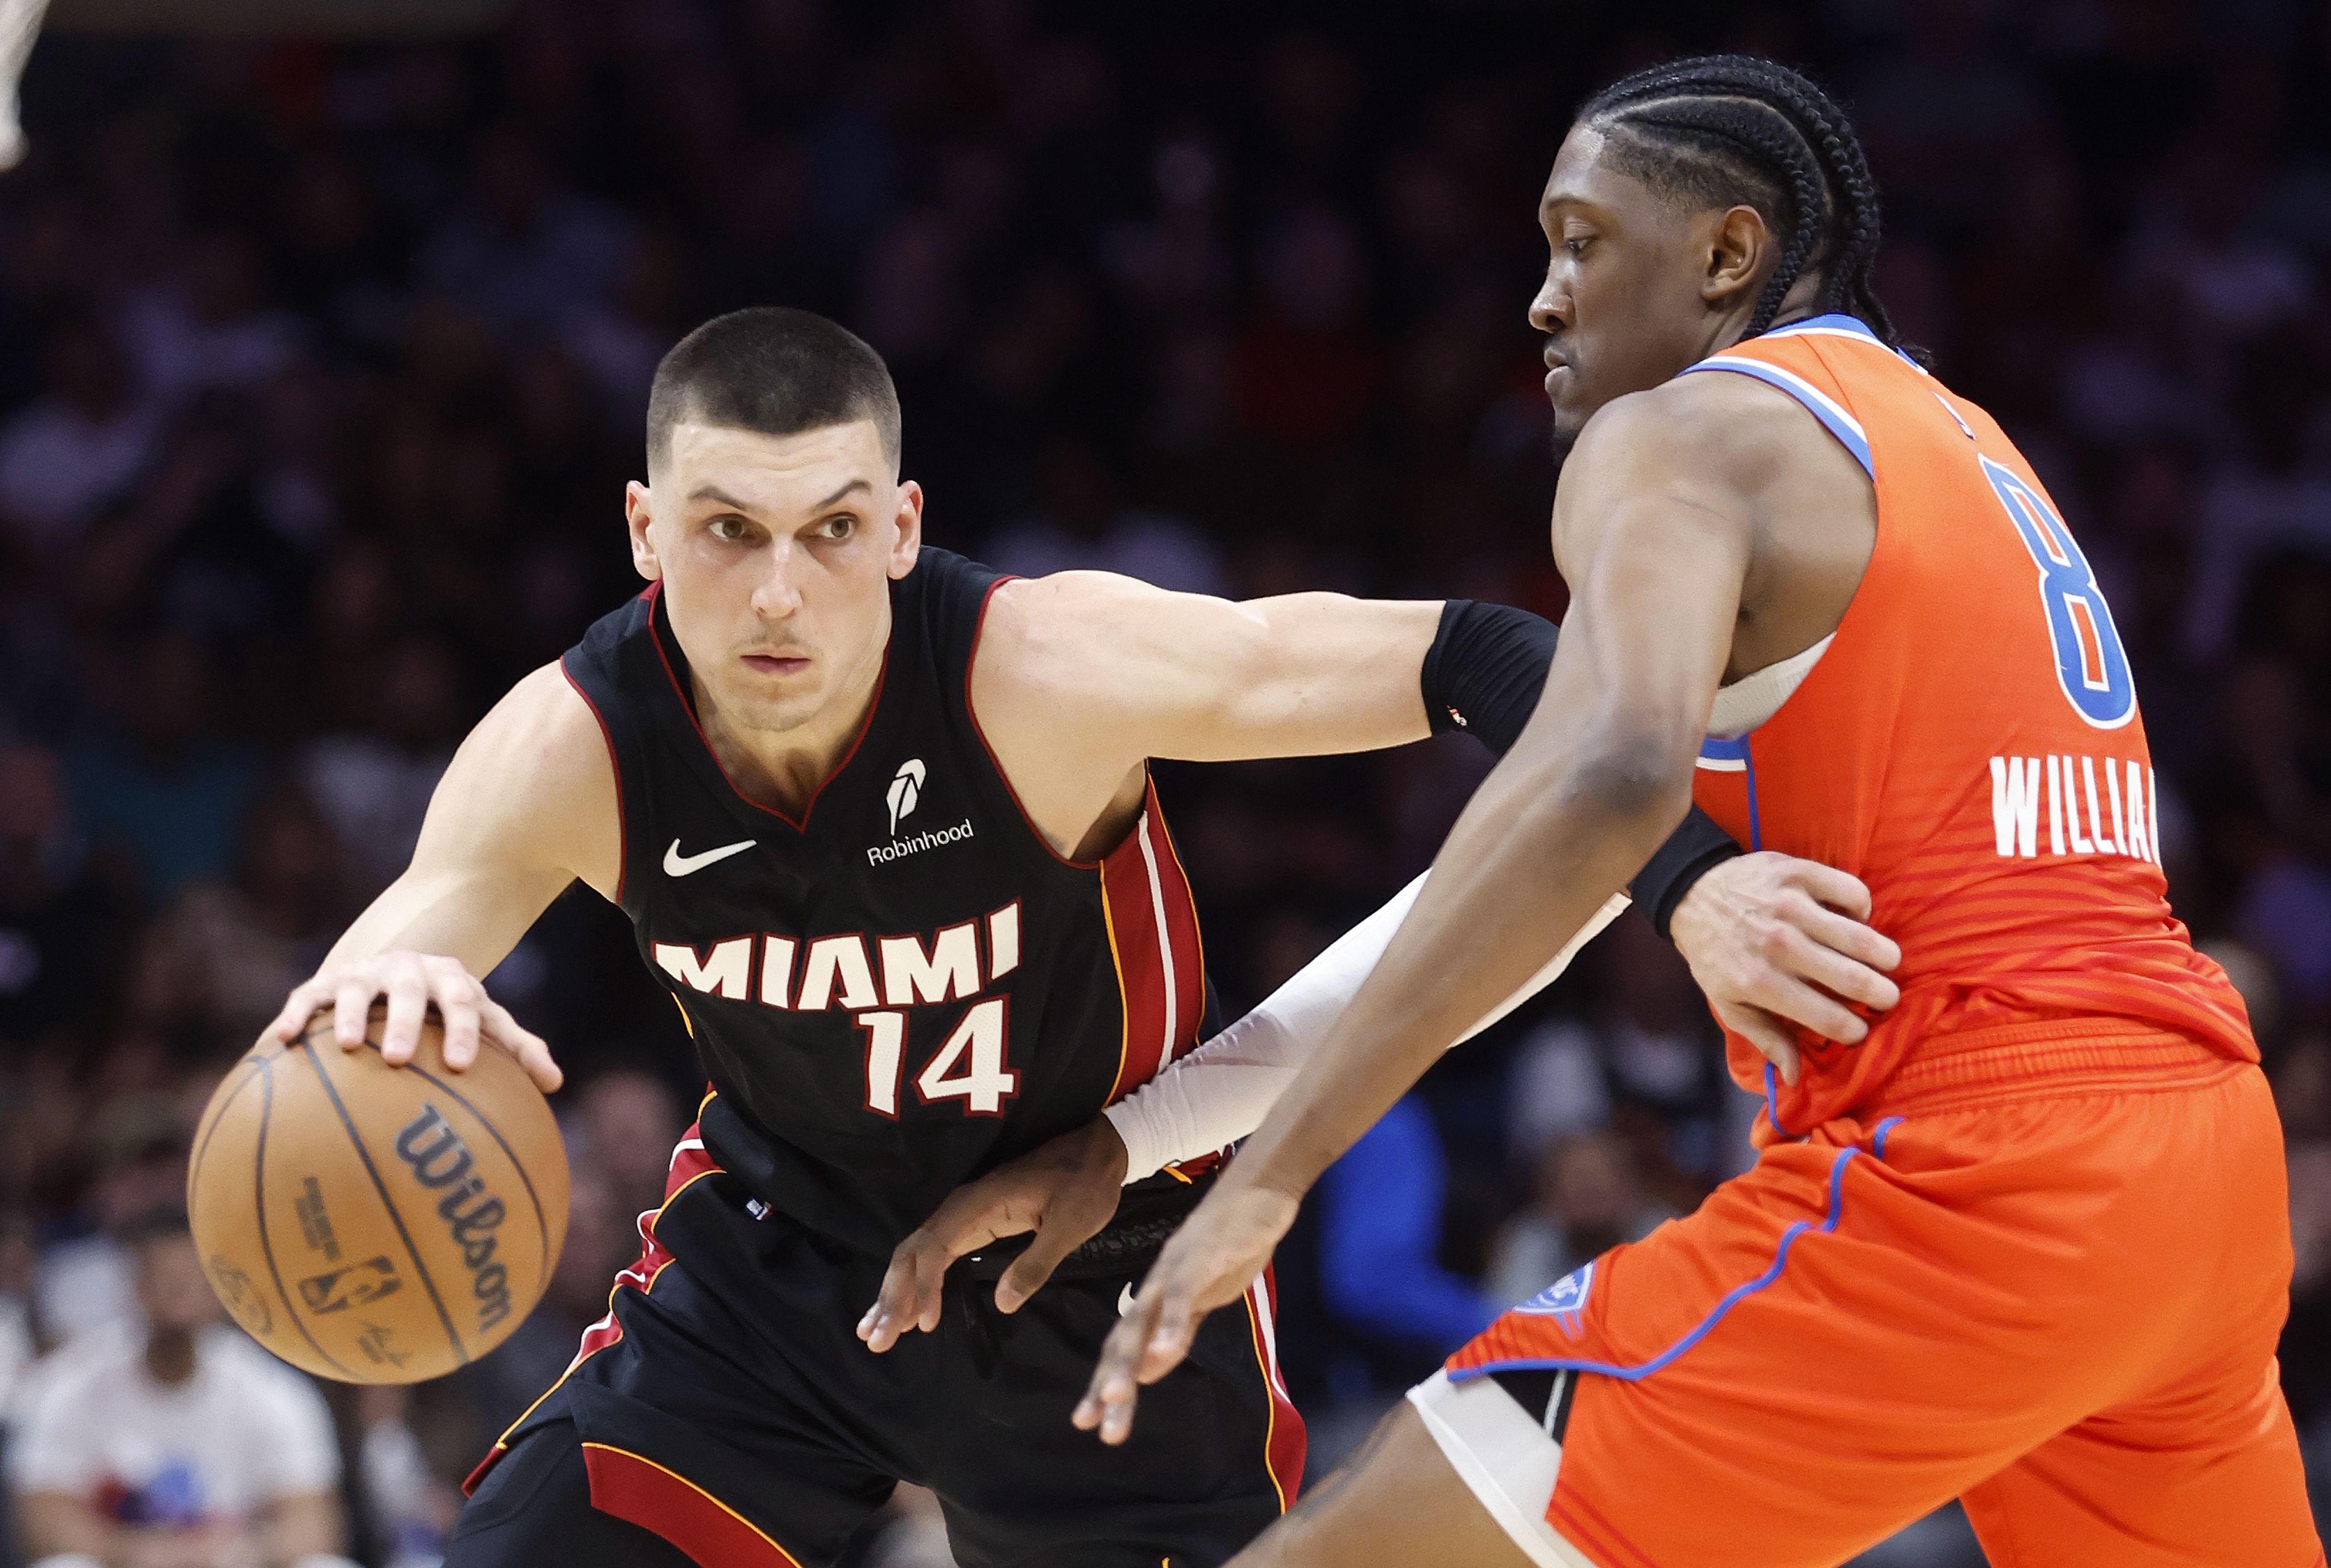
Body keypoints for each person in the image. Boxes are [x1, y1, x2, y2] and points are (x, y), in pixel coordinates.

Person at [259, 306, 1895, 1567]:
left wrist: (1680, 875)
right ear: (641, 531)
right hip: (783, 1273)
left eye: (828, 530)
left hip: (1104, 1281)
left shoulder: (1041, 670)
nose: (776, 592)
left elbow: (1490, 655)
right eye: (722, 530)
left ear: (898, 529)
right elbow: (419, 920)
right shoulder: (573, 744)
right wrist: (373, 983)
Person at [1021, 55, 2316, 1568]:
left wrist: (1270, 1175)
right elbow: (1534, 886)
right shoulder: (1957, 440)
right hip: (2202, 1165)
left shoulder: (1680, 435)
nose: (1542, 299)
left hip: (1973, 1170)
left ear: (1723, 253)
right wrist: (1150, 1136)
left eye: (1581, 241)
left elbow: (1601, 786)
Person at [7, 1208, 354, 1568]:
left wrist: (249, 1550)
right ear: (136, 1287)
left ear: (220, 1290)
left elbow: (314, 1521)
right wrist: (133, 1552)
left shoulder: (268, 1387)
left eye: (194, 1282)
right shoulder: (72, 1383)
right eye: (168, 1282)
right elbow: (44, 1517)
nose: (181, 1301)